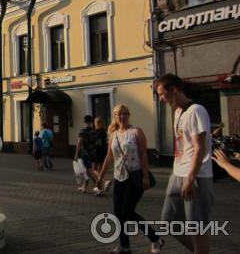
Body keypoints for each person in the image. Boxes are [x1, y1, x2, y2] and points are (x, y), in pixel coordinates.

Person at [155, 73, 213, 254]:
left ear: (174, 89)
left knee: (197, 228)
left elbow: (199, 147)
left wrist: (190, 178)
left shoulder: (196, 110)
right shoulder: (178, 112)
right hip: (178, 173)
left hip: (195, 176)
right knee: (169, 221)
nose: (162, 100)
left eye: (162, 94)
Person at [97, 105, 164, 254]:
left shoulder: (136, 132)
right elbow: (109, 156)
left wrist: (146, 177)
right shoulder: (113, 134)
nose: (122, 116)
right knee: (118, 213)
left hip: (135, 176)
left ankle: (155, 239)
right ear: (114, 116)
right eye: (119, 114)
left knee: (127, 211)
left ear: (129, 115)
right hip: (118, 177)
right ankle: (124, 246)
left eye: (125, 113)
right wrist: (100, 176)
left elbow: (144, 156)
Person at [74, 115, 100, 192]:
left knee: (89, 172)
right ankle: (84, 187)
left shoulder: (83, 131)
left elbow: (79, 143)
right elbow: (98, 143)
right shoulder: (95, 131)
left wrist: (76, 154)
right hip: (93, 153)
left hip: (85, 154)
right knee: (86, 171)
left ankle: (99, 187)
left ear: (84, 121)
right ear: (91, 121)